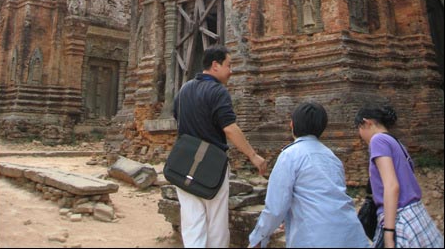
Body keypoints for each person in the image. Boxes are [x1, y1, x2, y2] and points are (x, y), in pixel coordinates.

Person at [173, 45, 267, 248]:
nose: (231, 70)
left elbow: (177, 118)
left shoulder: (184, 90)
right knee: (216, 224)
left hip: (183, 164)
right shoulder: (218, 92)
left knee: (192, 222)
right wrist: (253, 155)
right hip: (211, 165)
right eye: (228, 65)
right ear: (215, 66)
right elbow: (230, 129)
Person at [248, 101, 370, 248]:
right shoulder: (332, 157)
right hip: (350, 234)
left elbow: (275, 207)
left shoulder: (290, 155)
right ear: (322, 128)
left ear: (292, 124)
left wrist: (258, 238)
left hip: (316, 238)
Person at [354, 103, 444, 248]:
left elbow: (391, 186)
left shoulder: (378, 140)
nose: (359, 134)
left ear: (366, 123)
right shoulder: (396, 142)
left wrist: (389, 232)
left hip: (399, 217)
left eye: (358, 128)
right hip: (415, 214)